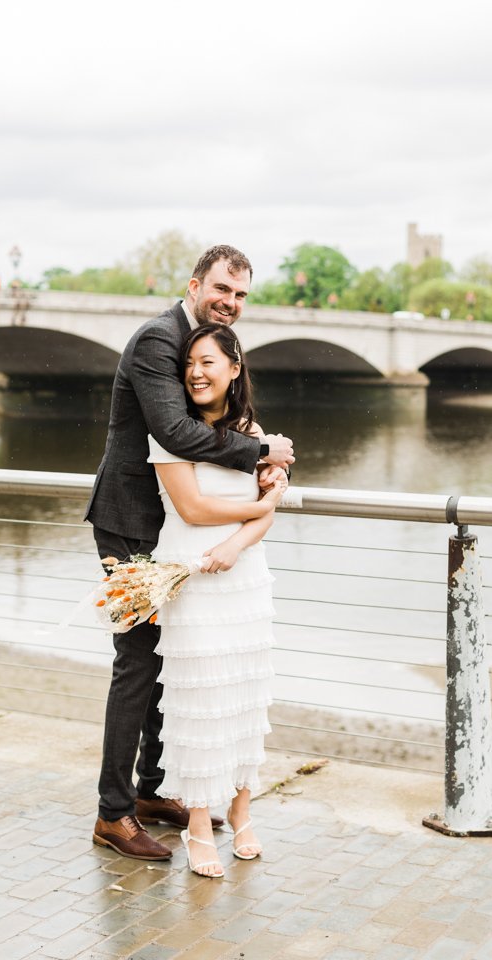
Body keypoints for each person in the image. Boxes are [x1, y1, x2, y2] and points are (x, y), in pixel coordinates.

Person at [85, 245, 294, 861]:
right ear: (195, 284)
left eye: (240, 295)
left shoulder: (198, 342)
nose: (230, 302)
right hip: (132, 524)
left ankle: (152, 791)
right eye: (222, 289)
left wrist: (263, 451)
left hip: (176, 524)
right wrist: (261, 454)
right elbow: (176, 434)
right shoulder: (158, 341)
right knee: (139, 664)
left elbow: (220, 421)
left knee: (170, 660)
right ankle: (113, 813)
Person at [149, 323, 286, 877]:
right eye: (190, 364)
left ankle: (242, 809)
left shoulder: (253, 434)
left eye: (209, 362)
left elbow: (260, 518)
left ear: (234, 369)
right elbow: (193, 510)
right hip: (190, 576)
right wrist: (266, 502)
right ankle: (199, 824)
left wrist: (238, 541)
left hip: (244, 580)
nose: (197, 372)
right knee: (198, 703)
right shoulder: (170, 431)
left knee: (244, 696)